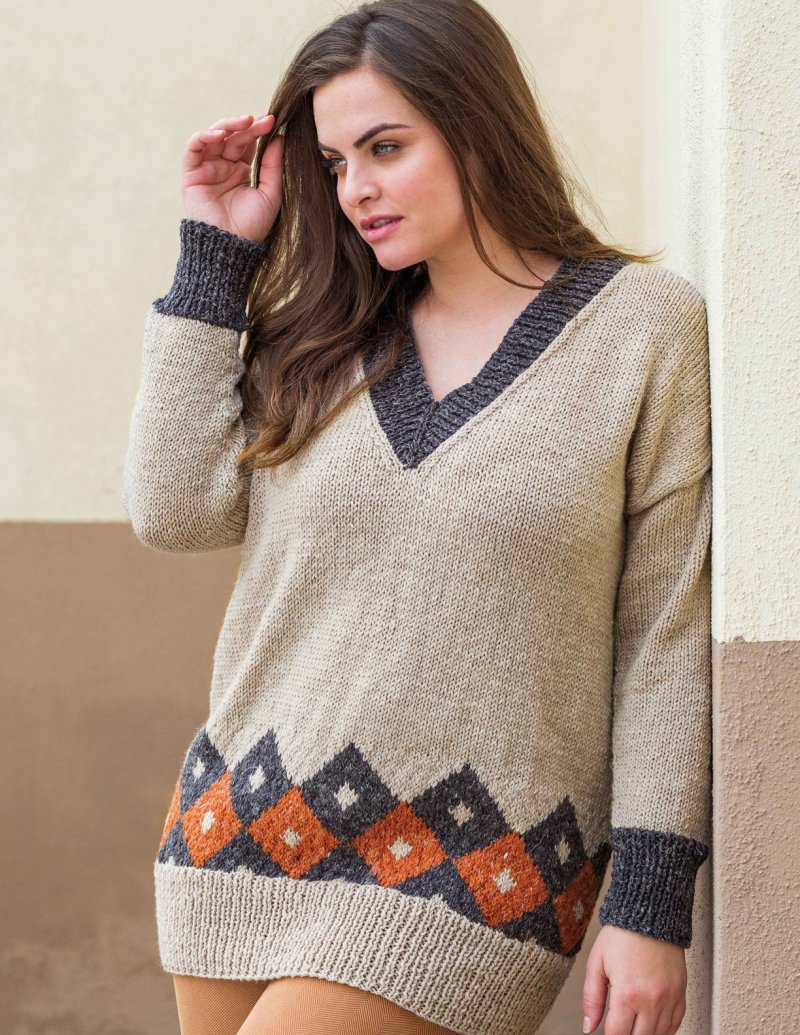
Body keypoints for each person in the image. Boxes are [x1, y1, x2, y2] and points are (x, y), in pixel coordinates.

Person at [121, 1, 712, 1033]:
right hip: (243, 834)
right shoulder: (322, 335)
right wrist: (215, 258)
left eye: (385, 147)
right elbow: (177, 511)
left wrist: (650, 906)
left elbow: (664, 635)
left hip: (481, 869)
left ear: (476, 125)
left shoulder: (643, 330)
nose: (355, 188)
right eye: (335, 162)